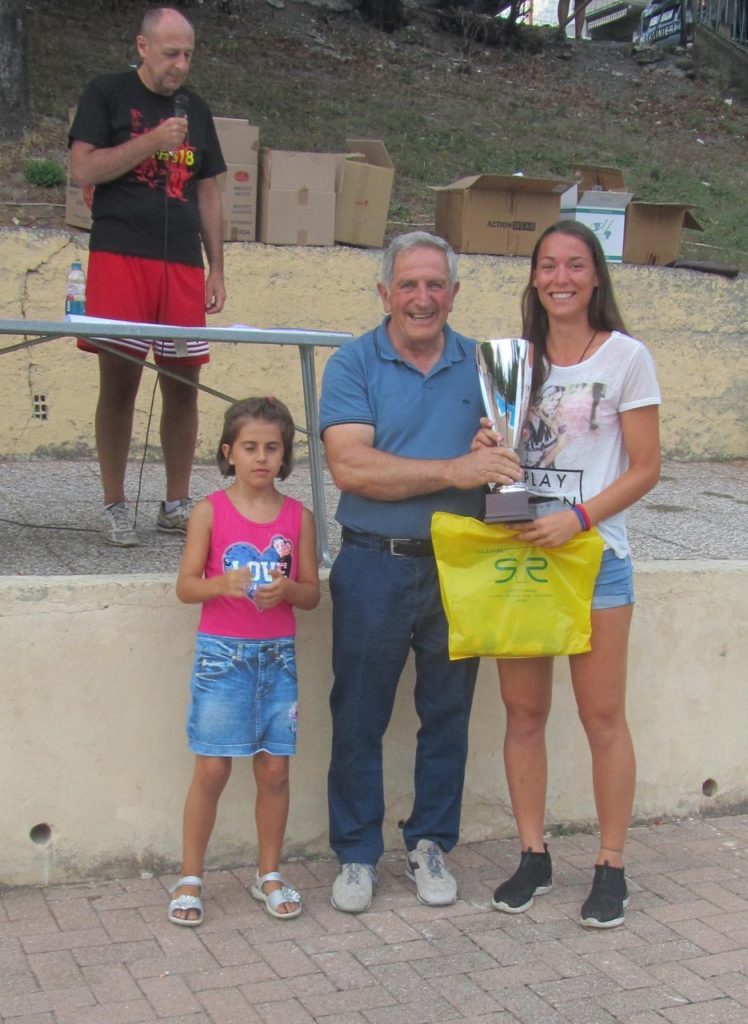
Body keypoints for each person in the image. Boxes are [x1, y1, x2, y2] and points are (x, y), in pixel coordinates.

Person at [319, 231, 522, 913]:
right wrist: (454, 470)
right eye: (408, 284)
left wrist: (500, 460)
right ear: (384, 293)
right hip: (374, 563)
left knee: (447, 713)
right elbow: (352, 468)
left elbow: (514, 473)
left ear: (455, 294)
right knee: (358, 715)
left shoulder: (491, 368)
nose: (422, 297)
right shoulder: (353, 363)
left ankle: (431, 842)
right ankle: (355, 854)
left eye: (436, 285)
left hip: (461, 567)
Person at [484, 220, 661, 928]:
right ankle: (533, 855)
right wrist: (487, 452)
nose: (561, 277)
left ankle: (611, 864)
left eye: (576, 265)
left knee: (602, 718)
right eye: (548, 265)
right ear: (534, 276)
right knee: (524, 714)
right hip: (523, 557)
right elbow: (502, 468)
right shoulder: (510, 363)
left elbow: (646, 468)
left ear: (595, 277)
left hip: (595, 561)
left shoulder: (626, 357)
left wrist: (578, 518)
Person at [68, 6, 227, 548]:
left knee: (183, 384)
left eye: (187, 54)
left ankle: (176, 502)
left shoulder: (197, 110)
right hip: (120, 254)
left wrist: (217, 267)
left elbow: (208, 190)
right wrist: (152, 141)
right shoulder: (106, 93)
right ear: (141, 46)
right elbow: (84, 169)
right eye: (169, 54)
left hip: (182, 260)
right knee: (120, 382)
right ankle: (116, 504)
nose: (179, 65)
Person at [168, 396, 320, 926]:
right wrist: (222, 583)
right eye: (250, 447)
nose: (261, 458)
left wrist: (288, 592)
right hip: (222, 658)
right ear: (228, 453)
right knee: (211, 768)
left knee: (274, 770)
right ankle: (190, 877)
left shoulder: (299, 516)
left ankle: (269, 873)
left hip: (276, 658)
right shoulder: (209, 510)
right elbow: (187, 587)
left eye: (272, 448)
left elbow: (311, 594)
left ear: (286, 456)